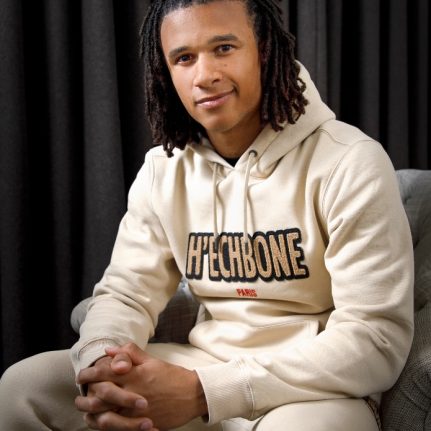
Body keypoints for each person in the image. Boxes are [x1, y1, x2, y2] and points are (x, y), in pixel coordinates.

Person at [0, 0, 414, 430]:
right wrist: (106, 365)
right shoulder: (164, 169)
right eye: (184, 58)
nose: (204, 75)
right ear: (166, 72)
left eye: (224, 48)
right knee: (24, 387)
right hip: (203, 362)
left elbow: (375, 338)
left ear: (265, 50)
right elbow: (126, 294)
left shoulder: (349, 161)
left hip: (312, 387)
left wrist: (203, 392)